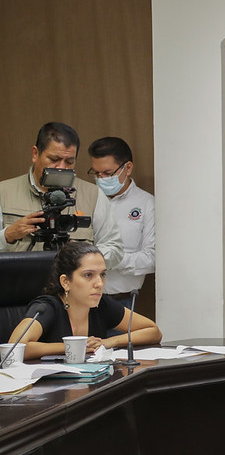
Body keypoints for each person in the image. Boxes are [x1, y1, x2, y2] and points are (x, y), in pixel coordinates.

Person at [9, 241, 161, 360]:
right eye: (88, 275)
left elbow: (153, 332)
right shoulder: (46, 308)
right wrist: (74, 347)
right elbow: (14, 348)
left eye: (102, 275)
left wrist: (108, 342)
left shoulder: (101, 305)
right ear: (65, 282)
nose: (99, 283)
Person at [0, 122, 123, 267]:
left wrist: (83, 257)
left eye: (69, 162)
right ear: (35, 154)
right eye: (54, 160)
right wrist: (7, 235)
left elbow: (115, 248)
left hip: (73, 280)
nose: (61, 167)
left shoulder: (93, 195)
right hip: (21, 280)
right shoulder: (4, 192)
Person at [87, 137, 155, 313]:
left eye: (108, 173)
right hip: (82, 299)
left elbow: (152, 259)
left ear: (128, 168)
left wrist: (109, 259)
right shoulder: (88, 199)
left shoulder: (147, 203)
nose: (101, 179)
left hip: (121, 300)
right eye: (97, 173)